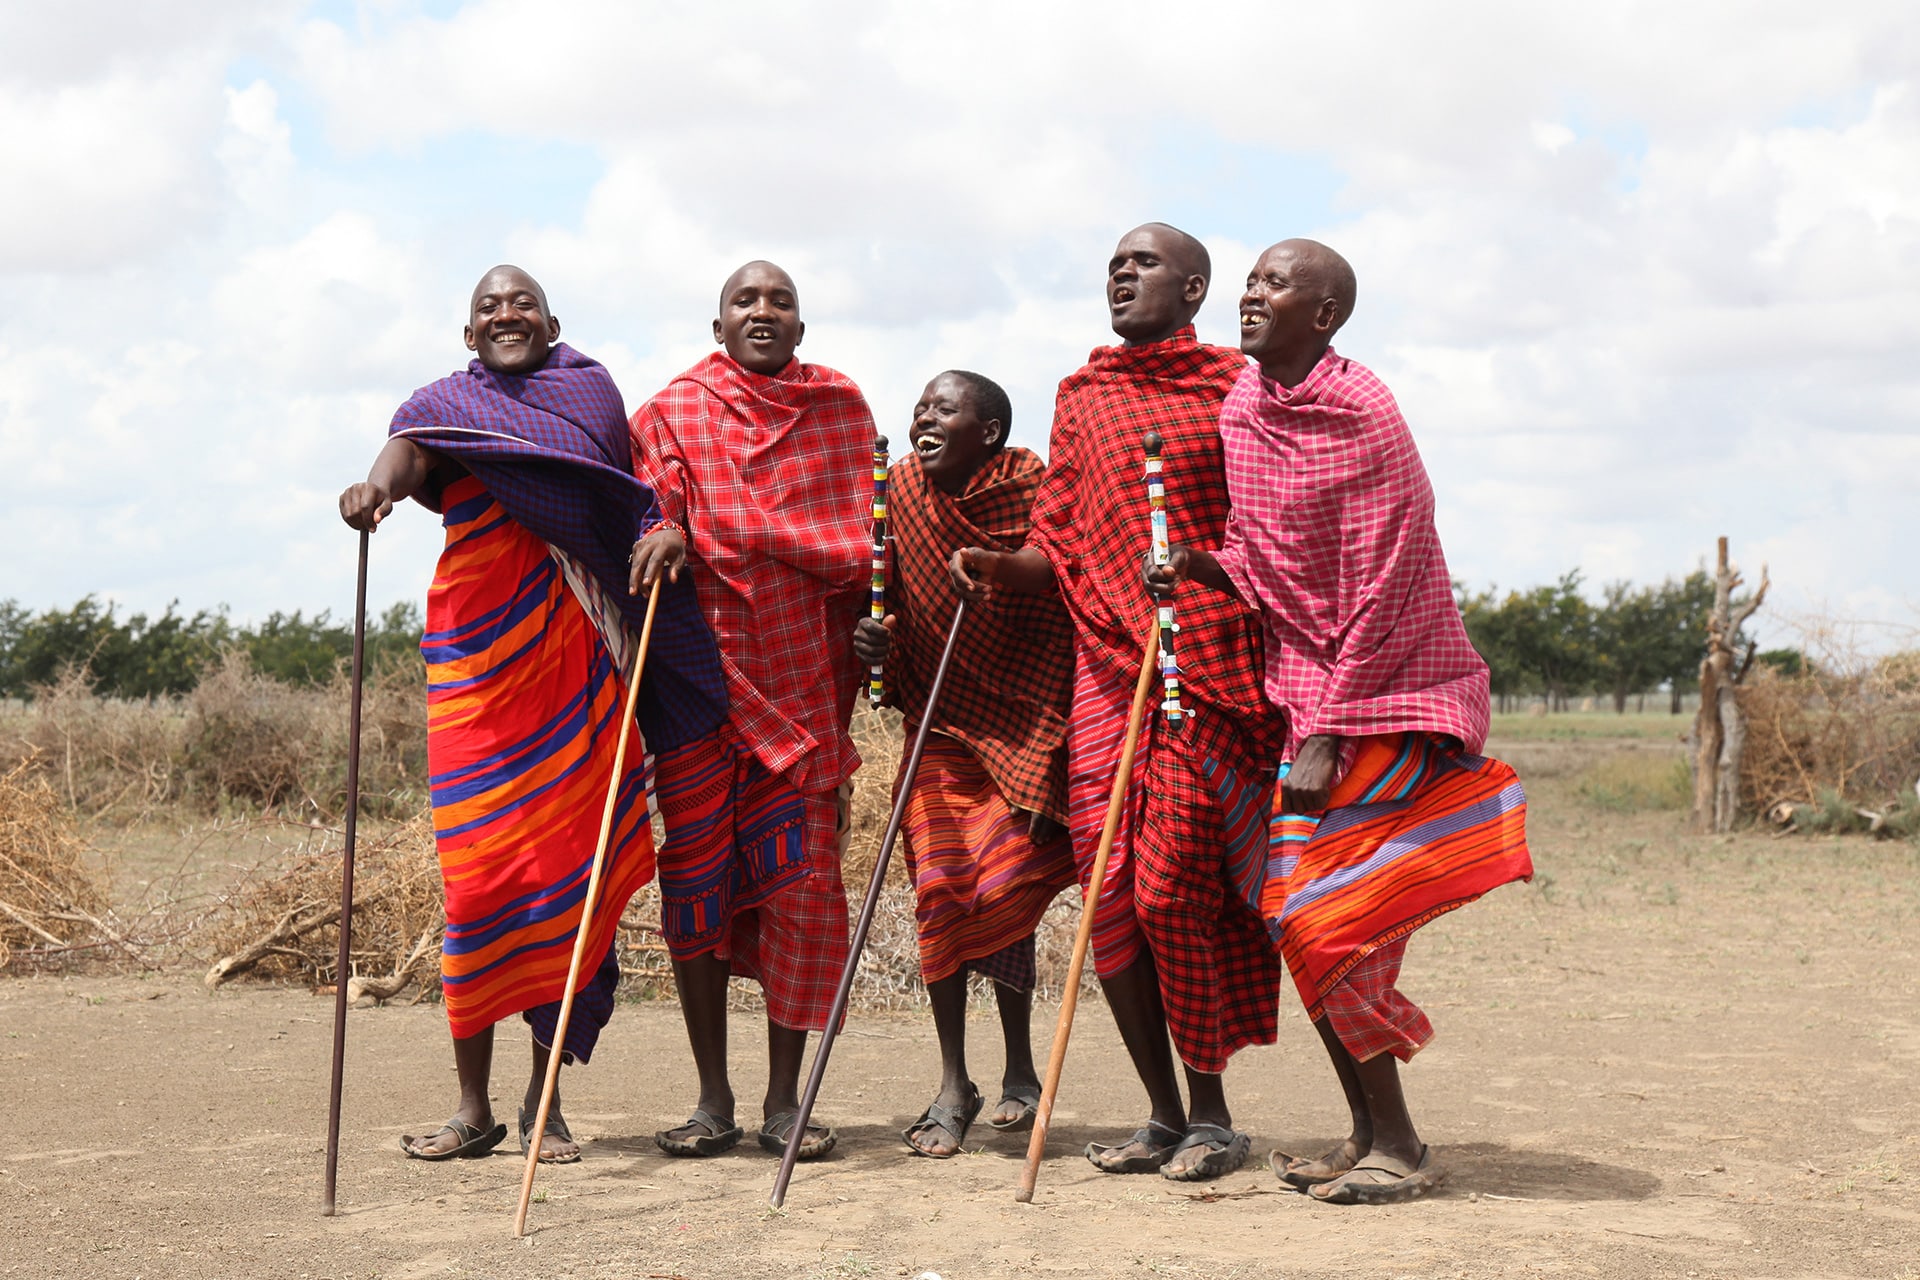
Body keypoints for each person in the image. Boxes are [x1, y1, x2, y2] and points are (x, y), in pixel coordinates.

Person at [1147, 238, 1533, 1204]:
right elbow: (1259, 552)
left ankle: (1398, 1144)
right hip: (1305, 692)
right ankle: (1368, 1132)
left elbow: (1387, 573)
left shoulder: (1364, 407)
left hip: (1394, 692)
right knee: (1303, 919)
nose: (1250, 294)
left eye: (1274, 284)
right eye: (1251, 279)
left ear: (1322, 316)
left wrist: (1331, 725)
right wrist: (1199, 565)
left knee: (1322, 915)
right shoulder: (1244, 406)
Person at [338, 265, 727, 1165]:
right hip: (474, 667)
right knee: (475, 889)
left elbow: (624, 500)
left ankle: (542, 1105)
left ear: (554, 322)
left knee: (570, 885)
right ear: (468, 334)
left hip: (573, 667)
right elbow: (409, 448)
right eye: (488, 308)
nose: (506, 314)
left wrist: (658, 542)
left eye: (522, 304)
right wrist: (376, 487)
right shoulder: (444, 403)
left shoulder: (587, 395)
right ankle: (471, 1108)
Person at [950, 224, 1285, 1181]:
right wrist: (998, 568)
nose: (1122, 277)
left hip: (1205, 667)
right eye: (1113, 266)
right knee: (1110, 907)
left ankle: (1216, 1112)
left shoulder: (1237, 387)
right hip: (1105, 676)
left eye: (1144, 265)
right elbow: (1057, 541)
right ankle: (1164, 1116)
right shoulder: (1081, 396)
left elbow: (1267, 521)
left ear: (1195, 288)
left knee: (1175, 887)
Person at [627, 261, 873, 1161]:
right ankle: (711, 1099)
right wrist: (663, 531)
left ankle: (782, 1101)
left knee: (803, 894)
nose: (764, 311)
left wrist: (873, 633)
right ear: (718, 323)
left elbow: (861, 555)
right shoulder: (670, 412)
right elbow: (654, 505)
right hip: (699, 687)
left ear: (801, 328)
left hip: (804, 690)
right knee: (696, 891)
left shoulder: (840, 412)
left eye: (781, 302)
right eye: (747, 301)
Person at [852, 370, 1078, 1157]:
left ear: (987, 432)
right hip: (940, 721)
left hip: (1026, 724)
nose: (925, 416)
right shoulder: (900, 490)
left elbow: (1059, 578)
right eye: (920, 405)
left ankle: (1021, 1068)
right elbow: (888, 599)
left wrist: (997, 565)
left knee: (1004, 890)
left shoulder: (1030, 487)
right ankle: (954, 1082)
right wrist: (876, 638)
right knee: (945, 888)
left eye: (945, 408)